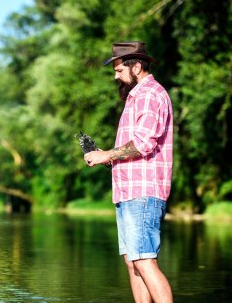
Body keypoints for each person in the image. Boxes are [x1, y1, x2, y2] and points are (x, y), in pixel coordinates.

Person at [84, 41, 173, 303]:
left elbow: (144, 143)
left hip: (143, 192)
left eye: (119, 69)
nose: (115, 76)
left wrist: (106, 155)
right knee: (133, 263)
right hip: (128, 191)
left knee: (144, 261)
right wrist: (105, 157)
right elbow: (135, 147)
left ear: (136, 66)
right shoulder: (136, 97)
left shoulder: (149, 95)